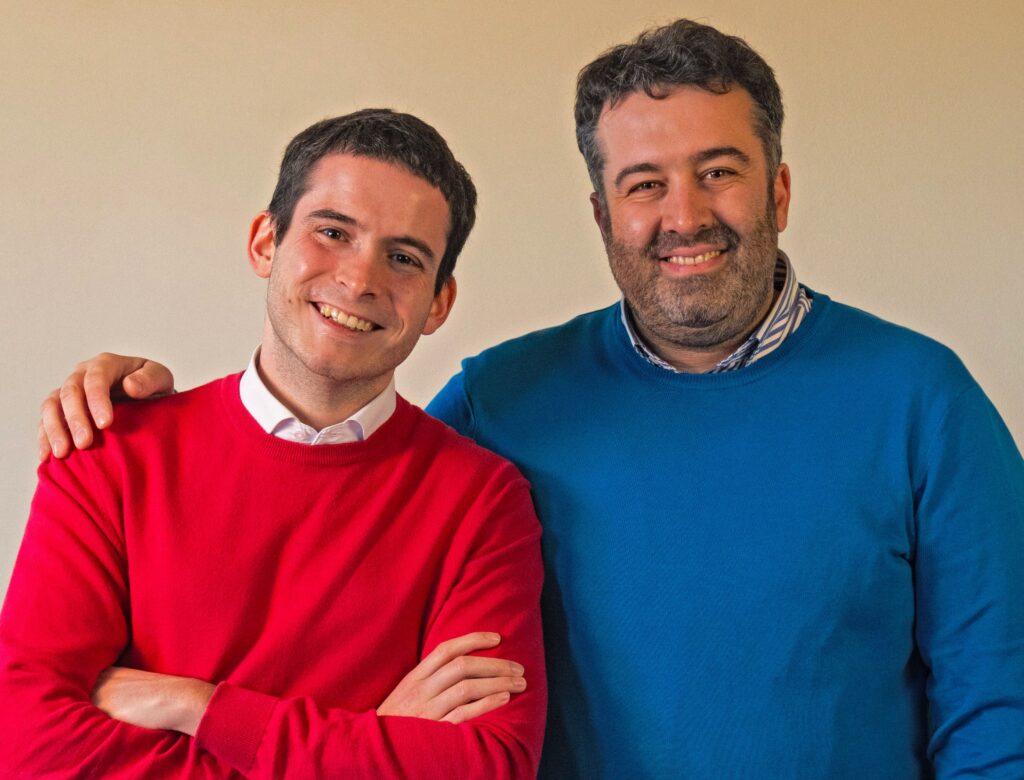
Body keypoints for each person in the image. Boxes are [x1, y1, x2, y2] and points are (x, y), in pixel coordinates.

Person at [35, 19, 1024, 778]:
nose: (682, 215)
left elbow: (1000, 711)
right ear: (602, 215)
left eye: (718, 172)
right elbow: (329, 459)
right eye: (643, 184)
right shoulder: (501, 400)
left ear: (779, 191)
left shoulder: (921, 401)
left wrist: (202, 709)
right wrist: (138, 405)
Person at [3, 109, 547, 778]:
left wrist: (196, 705)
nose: (360, 280)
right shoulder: (110, 449)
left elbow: (489, 766)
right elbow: (27, 746)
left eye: (404, 258)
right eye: (333, 232)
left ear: (438, 302)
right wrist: (371, 741)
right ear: (266, 242)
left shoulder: (483, 502)